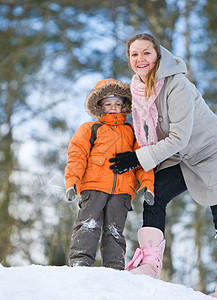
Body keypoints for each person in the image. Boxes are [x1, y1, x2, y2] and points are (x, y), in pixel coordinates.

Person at [109, 33, 217, 299]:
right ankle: (150, 264)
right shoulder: (137, 89)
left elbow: (179, 137)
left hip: (211, 154)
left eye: (146, 53)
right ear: (129, 60)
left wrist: (139, 158)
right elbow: (146, 133)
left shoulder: (176, 85)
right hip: (179, 157)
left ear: (158, 56)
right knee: (154, 196)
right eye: (134, 54)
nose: (140, 59)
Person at [65, 78, 155, 270]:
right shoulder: (90, 129)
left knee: (114, 230)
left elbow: (142, 161)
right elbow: (77, 155)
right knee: (88, 224)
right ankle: (80, 262)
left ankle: (114, 267)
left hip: (123, 190)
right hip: (93, 186)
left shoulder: (132, 131)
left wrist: (148, 185)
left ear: (124, 106)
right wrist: (72, 181)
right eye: (108, 104)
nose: (113, 107)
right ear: (100, 107)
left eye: (117, 103)